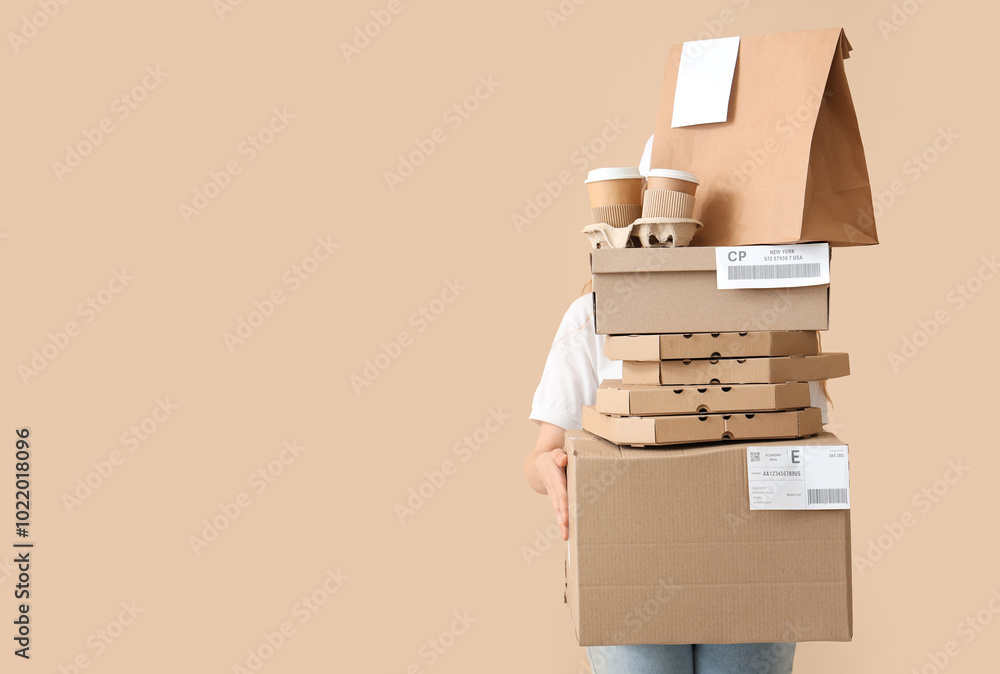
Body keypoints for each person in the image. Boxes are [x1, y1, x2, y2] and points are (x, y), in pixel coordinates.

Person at [523, 285, 820, 673]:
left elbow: (806, 446)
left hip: (752, 569)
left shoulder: (773, 315)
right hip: (629, 575)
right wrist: (546, 465)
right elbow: (540, 457)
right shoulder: (594, 317)